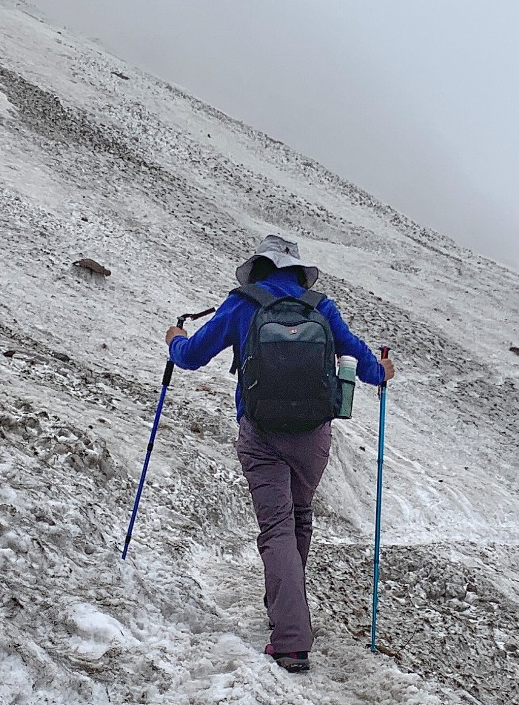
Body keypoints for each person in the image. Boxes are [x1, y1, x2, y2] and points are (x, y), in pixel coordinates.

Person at [165, 235, 394, 674]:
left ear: (259, 269)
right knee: (299, 518)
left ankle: (290, 638)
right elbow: (365, 365)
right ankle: (288, 613)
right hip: (313, 433)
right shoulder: (320, 307)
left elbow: (191, 356)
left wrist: (175, 338)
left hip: (261, 430)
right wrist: (384, 369)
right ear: (296, 270)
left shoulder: (241, 304)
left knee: (276, 528)